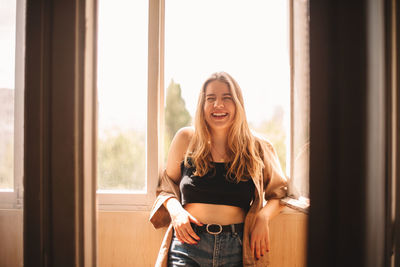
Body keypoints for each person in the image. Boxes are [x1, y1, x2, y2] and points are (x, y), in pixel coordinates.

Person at [149, 72, 288, 267]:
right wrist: (176, 212)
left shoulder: (257, 146)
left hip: (237, 248)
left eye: (226, 98)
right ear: (202, 105)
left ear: (238, 103)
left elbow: (280, 194)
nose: (218, 105)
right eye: (211, 98)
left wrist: (263, 218)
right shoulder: (185, 139)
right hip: (187, 245)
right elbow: (165, 187)